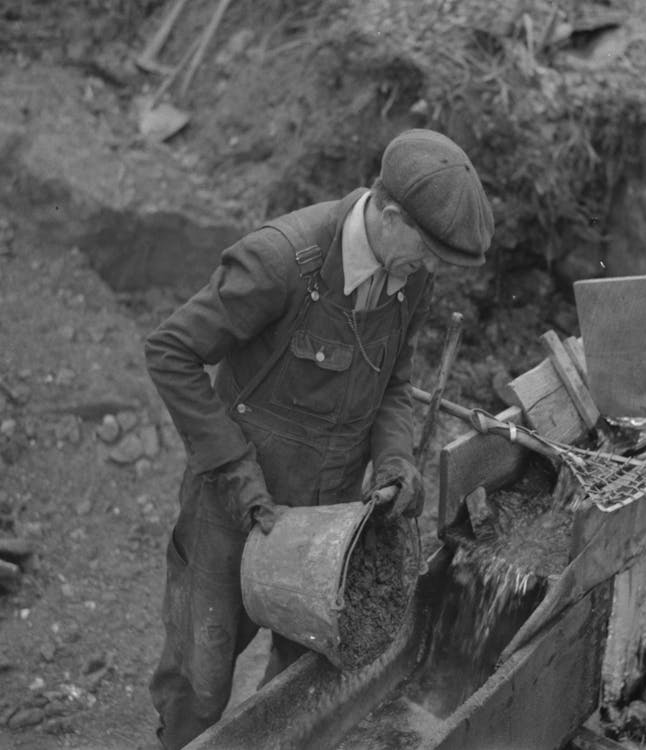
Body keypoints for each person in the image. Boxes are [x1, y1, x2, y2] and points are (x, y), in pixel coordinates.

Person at [143, 128, 493, 749]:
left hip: (330, 529)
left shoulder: (409, 277)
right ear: (389, 217)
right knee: (198, 689)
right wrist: (234, 472)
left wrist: (392, 459)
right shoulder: (281, 260)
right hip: (230, 513)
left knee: (295, 691)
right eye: (430, 254)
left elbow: (394, 383)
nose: (432, 271)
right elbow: (171, 351)